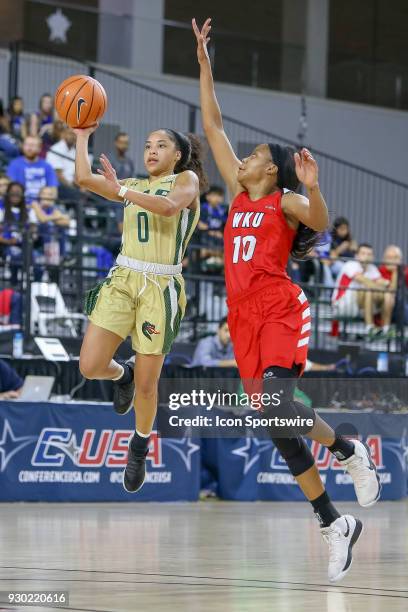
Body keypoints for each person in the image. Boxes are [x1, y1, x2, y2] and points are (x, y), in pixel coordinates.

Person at [193, 17, 380, 584]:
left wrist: (314, 186)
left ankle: (347, 450)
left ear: (269, 169)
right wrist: (204, 63)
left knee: (276, 401)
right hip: (242, 317)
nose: (241, 159)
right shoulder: (237, 191)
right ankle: (333, 520)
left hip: (278, 305)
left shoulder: (283, 203)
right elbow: (213, 124)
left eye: (251, 157)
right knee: (275, 422)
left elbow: (319, 222)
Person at [74, 121, 207, 495]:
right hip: (124, 277)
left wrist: (120, 190)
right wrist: (82, 133)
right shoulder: (132, 185)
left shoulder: (186, 182)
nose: (151, 151)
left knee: (149, 387)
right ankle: (121, 377)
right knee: (90, 365)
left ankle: (139, 445)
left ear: (177, 155)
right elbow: (83, 178)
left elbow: (167, 209)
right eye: (147, 144)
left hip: (161, 286)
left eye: (161, 145)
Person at [332, 243, 395, 340]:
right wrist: (381, 286)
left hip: (361, 307)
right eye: (363, 253)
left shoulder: (372, 268)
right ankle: (370, 328)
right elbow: (363, 280)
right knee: (368, 289)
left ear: (373, 257)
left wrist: (394, 272)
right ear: (357, 255)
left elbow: (388, 286)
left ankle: (386, 328)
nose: (366, 256)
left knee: (387, 295)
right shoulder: (351, 264)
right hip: (343, 305)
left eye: (369, 254)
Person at [7, 136, 58, 203]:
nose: (29, 148)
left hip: (43, 205)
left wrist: (49, 203)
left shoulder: (47, 166)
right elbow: (11, 189)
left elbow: (53, 190)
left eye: (33, 145)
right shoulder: (14, 164)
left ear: (40, 148)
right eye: (27, 145)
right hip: (21, 204)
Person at [46, 126, 79, 199]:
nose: (73, 137)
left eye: (75, 134)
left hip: (72, 185)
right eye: (70, 134)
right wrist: (72, 187)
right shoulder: (56, 149)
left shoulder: (75, 151)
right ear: (64, 134)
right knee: (78, 195)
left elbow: (76, 174)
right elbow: (58, 175)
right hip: (58, 185)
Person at [379, 244, 408, 327]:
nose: (392, 261)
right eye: (389, 257)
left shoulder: (405, 270)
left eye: (395, 258)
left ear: (400, 260)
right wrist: (395, 272)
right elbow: (392, 289)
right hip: (385, 307)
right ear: (384, 259)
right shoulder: (380, 271)